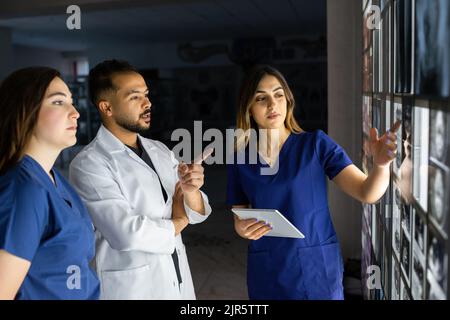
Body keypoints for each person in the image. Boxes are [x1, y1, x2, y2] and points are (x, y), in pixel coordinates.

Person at [227, 65, 400, 300]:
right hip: (267, 269)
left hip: (316, 268)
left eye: (278, 94)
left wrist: (381, 166)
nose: (272, 104)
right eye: (261, 98)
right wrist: (241, 228)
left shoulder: (316, 145)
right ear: (249, 108)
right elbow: (240, 215)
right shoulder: (240, 157)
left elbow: (367, 192)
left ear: (288, 99)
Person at [69, 60, 212, 300]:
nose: (148, 103)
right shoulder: (89, 164)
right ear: (107, 107)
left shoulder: (159, 150)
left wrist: (192, 190)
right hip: (132, 287)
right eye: (135, 97)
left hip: (176, 275)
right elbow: (127, 233)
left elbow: (197, 213)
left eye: (146, 95)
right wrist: (178, 221)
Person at [0, 67, 100, 300]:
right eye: (58, 102)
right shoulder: (24, 191)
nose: (75, 112)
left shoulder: (53, 179)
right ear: (25, 111)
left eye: (72, 102)